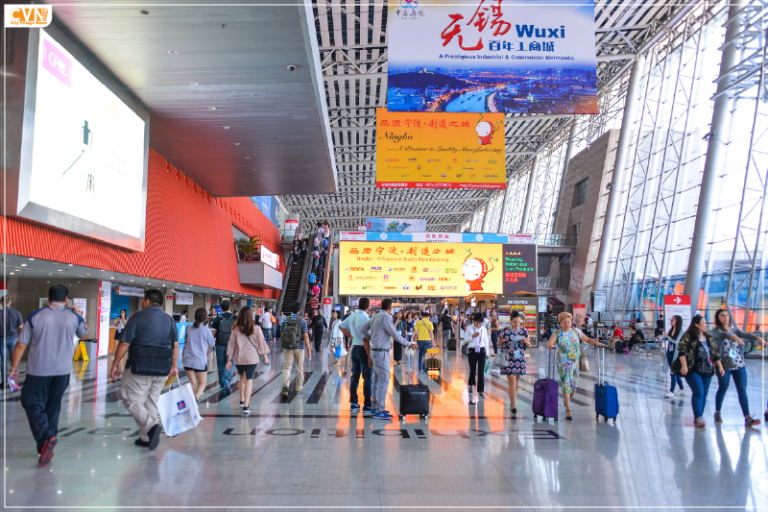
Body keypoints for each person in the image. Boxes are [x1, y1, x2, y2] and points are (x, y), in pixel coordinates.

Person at [8, 285, 88, 466]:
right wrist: (77, 313)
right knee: (53, 407)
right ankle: (45, 446)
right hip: (63, 372)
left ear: (48, 297)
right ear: (66, 299)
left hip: (38, 371)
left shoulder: (36, 316)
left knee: (30, 401)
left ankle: (46, 438)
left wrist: (14, 368)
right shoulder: (73, 317)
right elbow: (84, 333)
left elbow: (21, 344)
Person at [110, 289, 178, 450]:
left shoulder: (137, 317)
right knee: (151, 400)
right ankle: (146, 438)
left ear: (146, 301)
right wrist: (174, 366)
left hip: (140, 366)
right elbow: (175, 346)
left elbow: (124, 343)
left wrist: (115, 364)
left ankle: (150, 427)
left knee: (130, 398)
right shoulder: (169, 320)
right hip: (162, 367)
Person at [362, 298, 417, 420]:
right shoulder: (385, 317)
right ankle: (379, 410)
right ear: (390, 308)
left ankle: (375, 406)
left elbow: (363, 330)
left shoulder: (375, 316)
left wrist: (372, 338)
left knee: (377, 380)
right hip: (381, 353)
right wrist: (409, 344)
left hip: (375, 352)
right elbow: (395, 335)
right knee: (384, 381)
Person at [711, 308, 765, 427]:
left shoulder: (734, 329)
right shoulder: (715, 331)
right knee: (723, 388)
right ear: (718, 318)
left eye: (727, 315)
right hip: (724, 366)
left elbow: (745, 334)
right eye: (722, 315)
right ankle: (717, 412)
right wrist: (736, 338)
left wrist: (758, 338)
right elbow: (726, 335)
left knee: (742, 390)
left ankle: (747, 417)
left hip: (739, 364)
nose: (725, 317)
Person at [546, 312, 604, 420]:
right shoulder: (558, 333)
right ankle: (568, 409)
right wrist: (551, 346)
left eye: (568, 321)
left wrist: (596, 343)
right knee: (566, 384)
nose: (567, 324)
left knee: (574, 386)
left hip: (575, 362)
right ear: (560, 323)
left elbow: (586, 339)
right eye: (564, 322)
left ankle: (566, 400)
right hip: (563, 363)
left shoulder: (576, 331)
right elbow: (550, 342)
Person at [677, 314, 725, 428]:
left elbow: (715, 353)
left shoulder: (708, 337)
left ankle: (700, 415)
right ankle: (697, 417)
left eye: (706, 323)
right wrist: (684, 365)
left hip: (707, 370)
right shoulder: (689, 336)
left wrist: (720, 366)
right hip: (693, 369)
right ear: (696, 325)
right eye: (703, 323)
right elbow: (682, 350)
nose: (706, 325)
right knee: (698, 392)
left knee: (704, 394)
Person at [226, 307, 269, 416]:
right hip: (251, 358)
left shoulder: (235, 329)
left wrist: (229, 359)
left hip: (239, 358)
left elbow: (231, 344)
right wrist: (265, 356)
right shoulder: (256, 329)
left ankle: (241, 400)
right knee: (248, 380)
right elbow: (261, 343)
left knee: (241, 377)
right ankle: (246, 406)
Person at [339, 298, 373, 416]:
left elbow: (341, 326)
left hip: (355, 349)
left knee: (355, 376)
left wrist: (350, 335)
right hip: (364, 349)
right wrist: (370, 356)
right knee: (367, 377)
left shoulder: (352, 316)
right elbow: (366, 339)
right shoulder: (366, 318)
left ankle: (354, 403)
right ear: (368, 306)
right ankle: (368, 405)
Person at [499, 311, 531, 417]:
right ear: (511, 321)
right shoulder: (504, 331)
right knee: (512, 381)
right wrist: (500, 341)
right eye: (515, 322)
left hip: (519, 358)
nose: (517, 324)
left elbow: (529, 345)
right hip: (508, 358)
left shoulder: (524, 331)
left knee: (516, 381)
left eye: (518, 322)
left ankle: (513, 401)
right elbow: (498, 343)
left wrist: (527, 342)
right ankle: (513, 405)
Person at [182, 308, 215, 400]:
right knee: (202, 382)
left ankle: (190, 403)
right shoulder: (206, 330)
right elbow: (212, 343)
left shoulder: (188, 328)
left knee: (192, 383)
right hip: (200, 361)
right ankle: (195, 400)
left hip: (188, 360)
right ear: (205, 318)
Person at [280, 302, 310, 397]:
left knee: (287, 367)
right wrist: (309, 349)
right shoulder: (302, 321)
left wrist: (285, 343)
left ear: (290, 310)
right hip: (299, 347)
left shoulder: (285, 320)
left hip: (287, 347)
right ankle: (298, 388)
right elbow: (305, 336)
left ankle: (285, 387)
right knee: (299, 367)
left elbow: (281, 334)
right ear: (300, 310)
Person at [462, 313, 492, 398]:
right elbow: (465, 340)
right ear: (473, 321)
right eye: (476, 322)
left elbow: (486, 341)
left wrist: (487, 353)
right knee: (472, 370)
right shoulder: (469, 328)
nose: (478, 324)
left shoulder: (484, 329)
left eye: (479, 323)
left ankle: (481, 391)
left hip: (482, 351)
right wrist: (472, 336)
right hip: (472, 351)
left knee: (481, 371)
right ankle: (471, 385)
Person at [210, 300, 236, 393]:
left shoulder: (217, 319)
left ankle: (222, 384)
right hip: (232, 346)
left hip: (220, 345)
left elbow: (212, 334)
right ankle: (227, 381)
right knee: (231, 363)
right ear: (230, 307)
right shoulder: (235, 318)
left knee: (221, 365)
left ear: (221, 308)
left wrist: (209, 345)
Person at [1, 296, 24, 384]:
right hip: (13, 337)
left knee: (3, 360)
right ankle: (13, 383)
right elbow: (21, 326)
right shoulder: (16, 313)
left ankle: (3, 381)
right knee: (14, 360)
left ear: (1, 303)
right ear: (10, 302)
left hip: (2, 338)